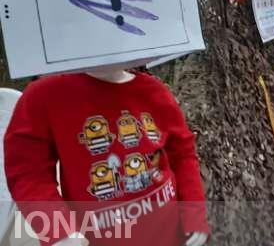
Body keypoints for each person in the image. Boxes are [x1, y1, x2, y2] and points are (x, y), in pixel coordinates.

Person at [4, 68, 210, 246]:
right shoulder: (45, 96)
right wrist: (58, 231)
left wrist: (194, 213)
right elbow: (27, 172)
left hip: (173, 235)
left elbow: (182, 154)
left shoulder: (154, 90)